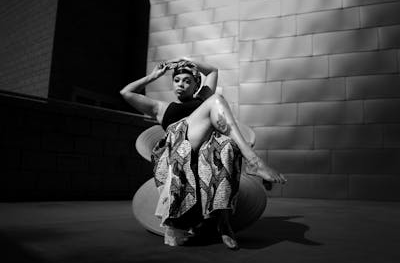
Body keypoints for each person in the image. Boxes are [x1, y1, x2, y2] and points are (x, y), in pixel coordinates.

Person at [120, 57, 286, 249]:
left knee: (226, 146)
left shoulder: (203, 99)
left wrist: (187, 60)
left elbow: (213, 70)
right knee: (216, 101)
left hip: (205, 148)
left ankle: (223, 222)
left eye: (187, 80)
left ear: (196, 85)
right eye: (177, 80)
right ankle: (254, 162)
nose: (181, 84)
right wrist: (153, 75)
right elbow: (126, 92)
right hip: (178, 146)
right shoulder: (161, 108)